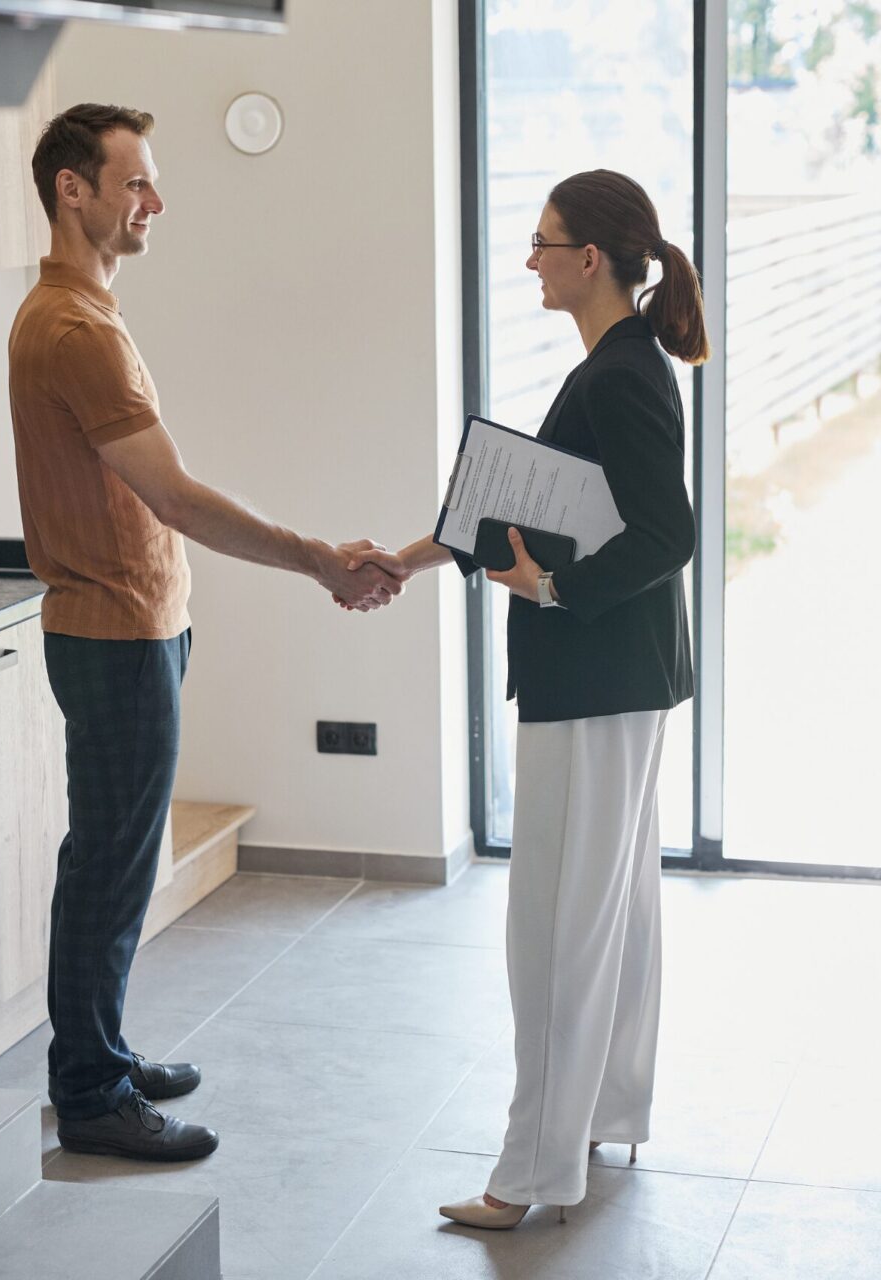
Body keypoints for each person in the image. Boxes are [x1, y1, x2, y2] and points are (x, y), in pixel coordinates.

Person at [9, 103, 400, 1162]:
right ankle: (91, 1090)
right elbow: (176, 496)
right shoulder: (77, 331)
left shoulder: (86, 311)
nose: (156, 203)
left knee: (118, 859)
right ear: (71, 190)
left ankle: (96, 1053)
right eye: (135, 183)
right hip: (113, 631)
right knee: (109, 862)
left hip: (137, 623)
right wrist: (320, 557)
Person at [349, 170, 703, 1225]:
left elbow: (667, 533)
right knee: (609, 911)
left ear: (588, 258)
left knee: (554, 926)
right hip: (619, 679)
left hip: (593, 681)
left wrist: (553, 587)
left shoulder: (621, 376)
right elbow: (515, 504)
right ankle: (602, 1107)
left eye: (543, 244)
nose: (531, 260)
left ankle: (532, 1174)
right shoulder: (614, 365)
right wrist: (407, 561)